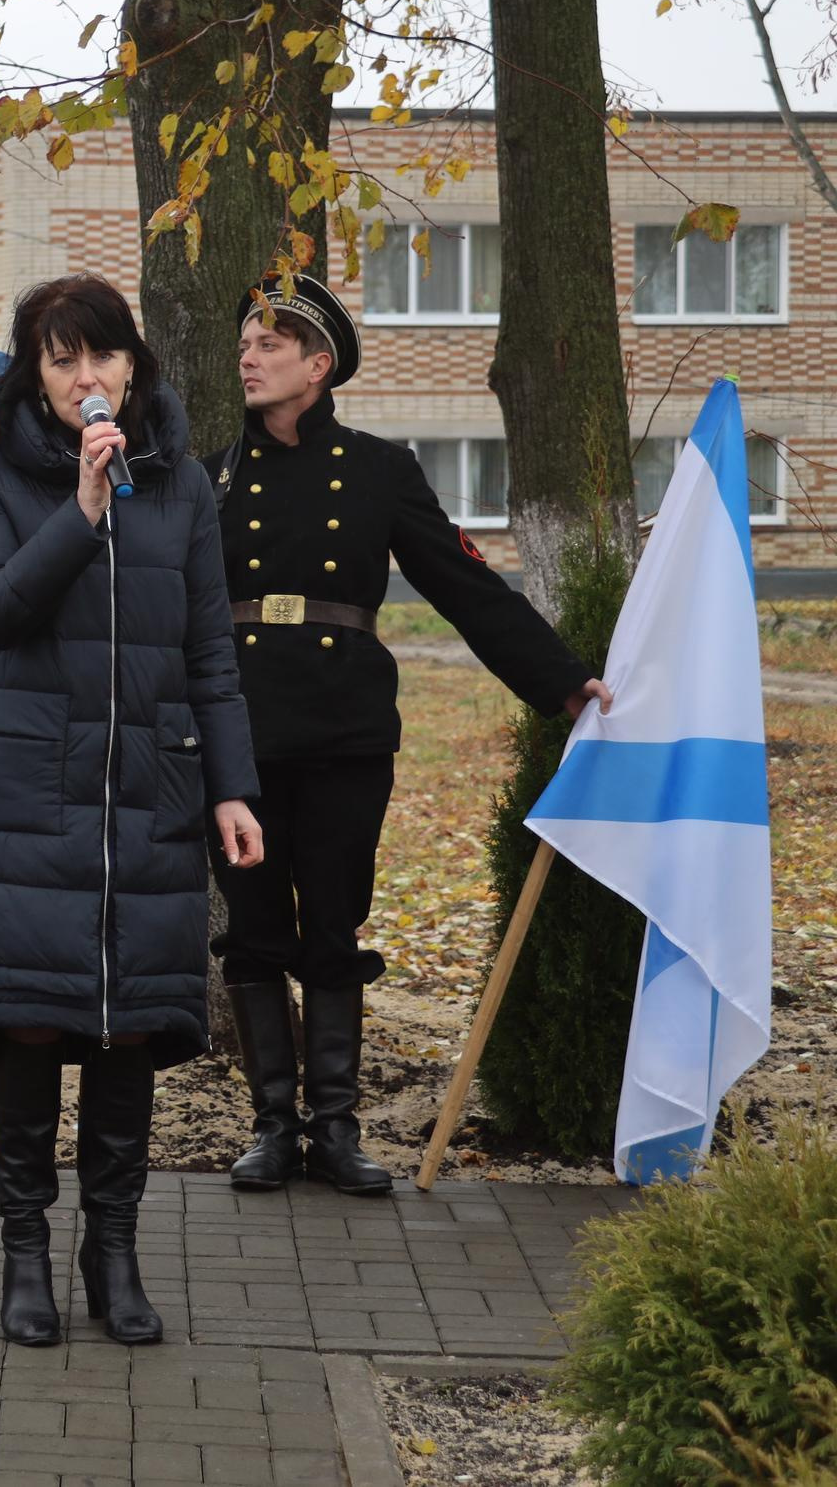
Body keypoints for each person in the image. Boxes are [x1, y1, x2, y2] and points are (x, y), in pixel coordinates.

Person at [207, 272, 613, 1198]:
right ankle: (274, 1127)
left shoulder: (381, 468)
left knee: (335, 924)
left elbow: (464, 583)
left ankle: (336, 1128)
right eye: (247, 341)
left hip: (347, 730)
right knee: (257, 928)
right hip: (242, 732)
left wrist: (559, 681)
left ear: (319, 364)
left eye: (271, 342)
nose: (251, 354)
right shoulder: (212, 478)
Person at [0, 274, 265, 1348]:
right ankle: (24, 1254)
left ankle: (111, 1251)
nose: (87, 377)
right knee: (30, 1023)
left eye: (102, 356)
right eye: (62, 359)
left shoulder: (182, 489)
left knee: (130, 1030)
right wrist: (79, 513)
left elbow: (210, 652)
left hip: (150, 796)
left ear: (133, 364)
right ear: (34, 380)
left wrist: (231, 787)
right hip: (30, 800)